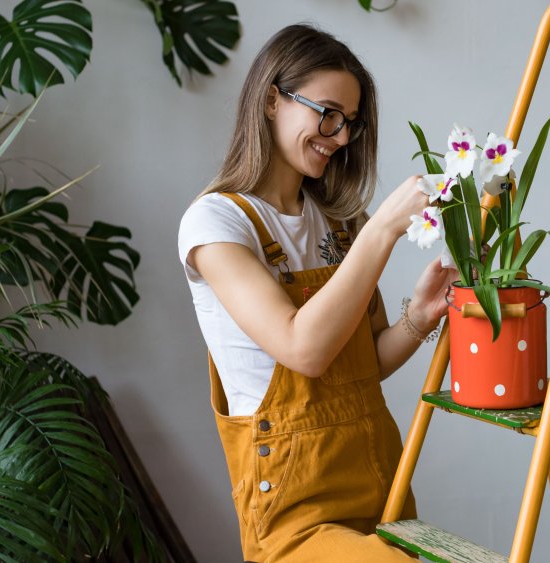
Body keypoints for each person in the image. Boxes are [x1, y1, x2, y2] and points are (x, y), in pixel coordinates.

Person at [178, 23, 455, 562]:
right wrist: (383, 231)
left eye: (350, 122)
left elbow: (363, 364)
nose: (341, 136)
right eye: (328, 113)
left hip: (378, 477)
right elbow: (303, 349)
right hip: (293, 508)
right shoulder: (215, 223)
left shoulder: (340, 221)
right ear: (271, 101)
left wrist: (418, 319)